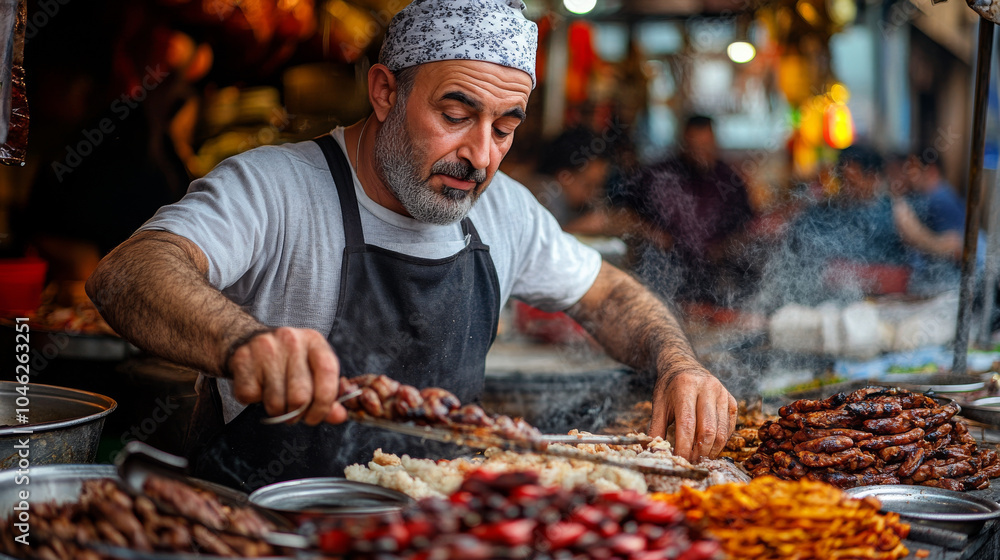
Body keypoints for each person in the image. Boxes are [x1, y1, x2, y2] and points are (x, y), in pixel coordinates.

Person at [86, 0, 736, 490]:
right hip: (268, 528)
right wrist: (243, 343)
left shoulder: (505, 210)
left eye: (505, 128)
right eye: (455, 116)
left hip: (431, 530)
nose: (481, 156)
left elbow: (609, 295)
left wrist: (678, 364)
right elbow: (129, 272)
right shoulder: (276, 187)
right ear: (385, 91)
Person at [619, 114, 756, 305]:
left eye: (707, 145)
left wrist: (725, 247)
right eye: (695, 146)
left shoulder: (730, 181)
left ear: (715, 143)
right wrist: (651, 232)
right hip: (664, 271)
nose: (701, 152)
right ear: (684, 144)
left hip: (715, 275)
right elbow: (621, 214)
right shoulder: (656, 176)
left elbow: (748, 227)